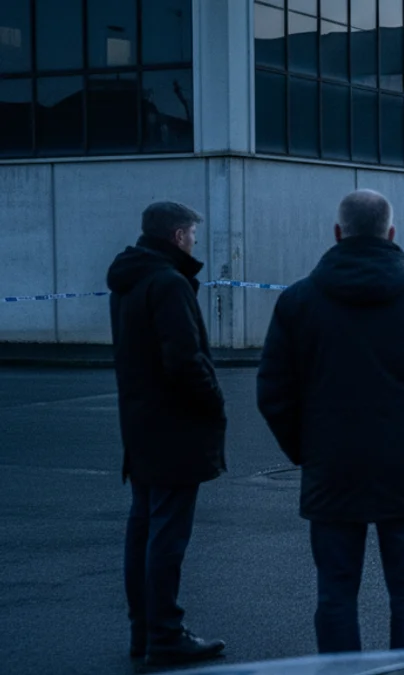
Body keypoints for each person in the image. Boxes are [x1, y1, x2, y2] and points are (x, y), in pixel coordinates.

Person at [257, 189, 404, 653]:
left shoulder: (298, 301)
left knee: (336, 596)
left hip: (330, 466)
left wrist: (304, 448)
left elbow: (273, 391)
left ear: (338, 233)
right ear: (390, 232)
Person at [106, 201, 227, 667]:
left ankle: (145, 633)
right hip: (175, 430)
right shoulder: (169, 283)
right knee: (167, 537)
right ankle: (166, 635)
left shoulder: (130, 281)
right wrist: (214, 400)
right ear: (178, 236)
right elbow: (184, 359)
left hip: (140, 426)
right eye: (193, 233)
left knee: (143, 530)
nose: (195, 240)